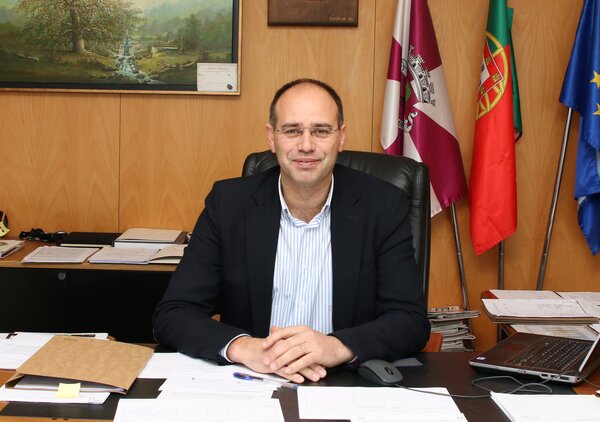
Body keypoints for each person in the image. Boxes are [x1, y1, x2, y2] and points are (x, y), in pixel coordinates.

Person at [153, 78, 429, 384]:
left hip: (344, 382)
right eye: (292, 130)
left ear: (341, 137)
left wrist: (336, 346)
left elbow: (410, 321)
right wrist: (247, 348)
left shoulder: (382, 205)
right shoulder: (229, 204)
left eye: (321, 131)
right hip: (253, 380)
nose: (306, 145)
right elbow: (174, 313)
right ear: (272, 137)